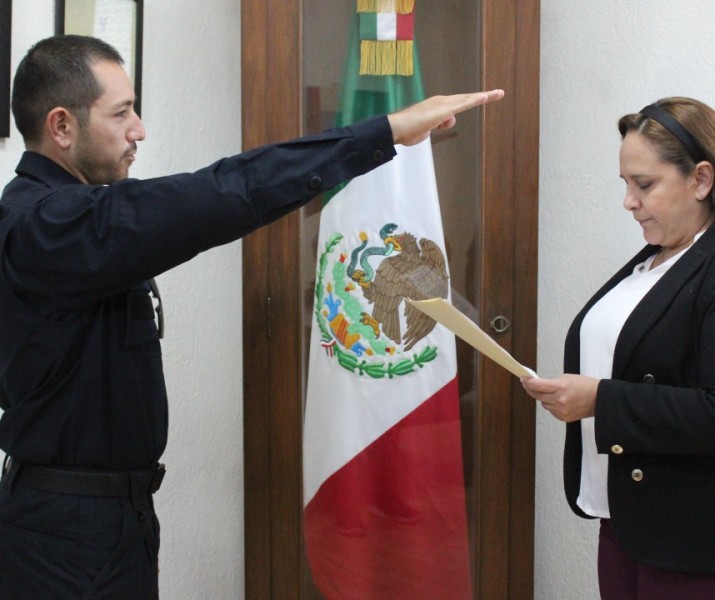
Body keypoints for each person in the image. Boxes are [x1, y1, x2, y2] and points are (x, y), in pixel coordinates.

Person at [0, 34, 503, 599]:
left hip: (109, 518)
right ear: (62, 126)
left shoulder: (68, 219)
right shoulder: (45, 226)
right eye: (121, 113)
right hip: (66, 534)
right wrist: (380, 133)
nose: (139, 129)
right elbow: (223, 192)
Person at [522, 97, 715, 599]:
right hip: (634, 526)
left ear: (701, 179)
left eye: (644, 184)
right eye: (625, 184)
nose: (629, 201)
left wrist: (599, 401)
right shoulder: (656, 258)